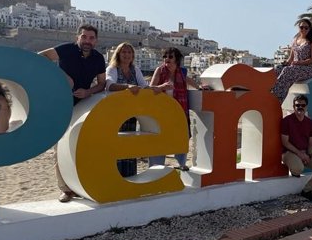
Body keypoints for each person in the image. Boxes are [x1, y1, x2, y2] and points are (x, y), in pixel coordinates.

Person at [39, 24, 106, 202]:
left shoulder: (98, 58)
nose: (87, 41)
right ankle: (65, 189)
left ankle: (80, 184)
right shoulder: (66, 49)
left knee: (80, 146)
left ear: (96, 41)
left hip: (82, 105)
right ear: (78, 37)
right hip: (60, 103)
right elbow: (41, 57)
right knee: (60, 147)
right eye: (84, 37)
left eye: (91, 38)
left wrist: (88, 92)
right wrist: (60, 76)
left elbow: (102, 84)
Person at [149, 47, 200, 171]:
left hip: (179, 112)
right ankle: (156, 167)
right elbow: (150, 88)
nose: (167, 59)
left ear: (177, 59)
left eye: (170, 57)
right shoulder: (160, 71)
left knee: (181, 137)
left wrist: (200, 87)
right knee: (160, 139)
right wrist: (162, 86)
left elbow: (190, 81)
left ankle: (181, 163)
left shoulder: (182, 72)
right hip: (162, 113)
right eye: (165, 57)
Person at [106, 42, 149, 177]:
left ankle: (130, 177)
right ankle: (116, 176)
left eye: (129, 52)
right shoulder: (112, 69)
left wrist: (158, 88)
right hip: (115, 113)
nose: (127, 55)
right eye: (124, 52)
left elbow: (143, 86)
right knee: (117, 145)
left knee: (130, 145)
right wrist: (127, 87)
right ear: (118, 54)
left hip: (131, 113)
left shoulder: (135, 70)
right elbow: (110, 86)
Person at [280, 94, 312, 201]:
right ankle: (295, 169)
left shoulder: (310, 122)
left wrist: (309, 155)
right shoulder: (286, 121)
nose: (300, 107)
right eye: (297, 105)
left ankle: (307, 191)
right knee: (298, 168)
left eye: (303, 105)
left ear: (306, 107)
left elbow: (311, 142)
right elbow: (285, 142)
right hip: (289, 152)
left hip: (304, 153)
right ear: (293, 107)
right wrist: (300, 154)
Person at [271, 18, 312, 102]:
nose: (303, 29)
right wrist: (286, 63)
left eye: (306, 27)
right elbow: (291, 57)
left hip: (306, 69)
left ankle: (276, 98)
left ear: (309, 29)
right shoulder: (295, 40)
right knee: (277, 69)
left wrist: (300, 62)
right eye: (301, 27)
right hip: (294, 67)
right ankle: (270, 91)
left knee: (287, 71)